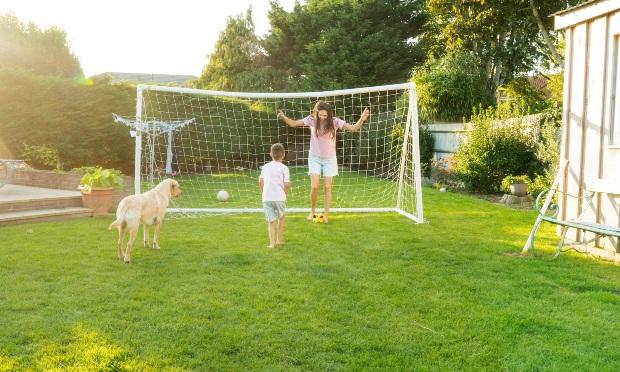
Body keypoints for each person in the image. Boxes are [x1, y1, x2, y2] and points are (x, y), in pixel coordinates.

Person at [277, 101, 369, 223]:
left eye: (325, 116)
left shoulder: (335, 121)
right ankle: (312, 211)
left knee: (327, 187)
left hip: (330, 159)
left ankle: (326, 214)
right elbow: (294, 124)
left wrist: (362, 119)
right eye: (321, 115)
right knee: (315, 186)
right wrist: (283, 117)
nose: (323, 118)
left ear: (329, 114)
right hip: (314, 157)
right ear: (317, 112)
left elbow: (353, 128)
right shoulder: (311, 120)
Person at [259, 143, 290, 248]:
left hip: (266, 198)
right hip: (279, 198)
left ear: (271, 154)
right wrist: (285, 193)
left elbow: (260, 180)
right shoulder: (284, 168)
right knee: (281, 217)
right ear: (283, 155)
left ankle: (271, 244)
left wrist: (263, 192)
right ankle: (278, 240)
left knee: (271, 222)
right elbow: (287, 184)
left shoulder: (265, 167)